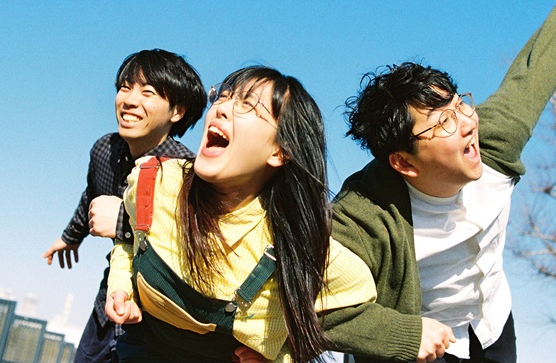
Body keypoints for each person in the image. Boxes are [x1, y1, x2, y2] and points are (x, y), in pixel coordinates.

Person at [323, 0, 556, 363]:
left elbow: (537, 68)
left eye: (459, 104)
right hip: (419, 343)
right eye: (443, 121)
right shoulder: (363, 215)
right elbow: (300, 298)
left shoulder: (493, 141)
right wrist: (402, 334)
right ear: (403, 162)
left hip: (492, 325)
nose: (466, 123)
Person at [105, 66, 377, 363]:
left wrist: (283, 356)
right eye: (223, 96)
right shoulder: (153, 180)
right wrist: (120, 284)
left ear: (279, 152)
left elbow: (357, 296)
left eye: (248, 105)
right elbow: (128, 241)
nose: (221, 108)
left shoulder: (294, 245)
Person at [43, 49, 207, 363]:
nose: (129, 100)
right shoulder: (104, 150)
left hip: (158, 323)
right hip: (108, 306)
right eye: (125, 88)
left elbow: (189, 247)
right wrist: (71, 236)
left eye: (147, 93)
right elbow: (92, 195)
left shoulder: (187, 174)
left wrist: (122, 221)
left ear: (177, 111)